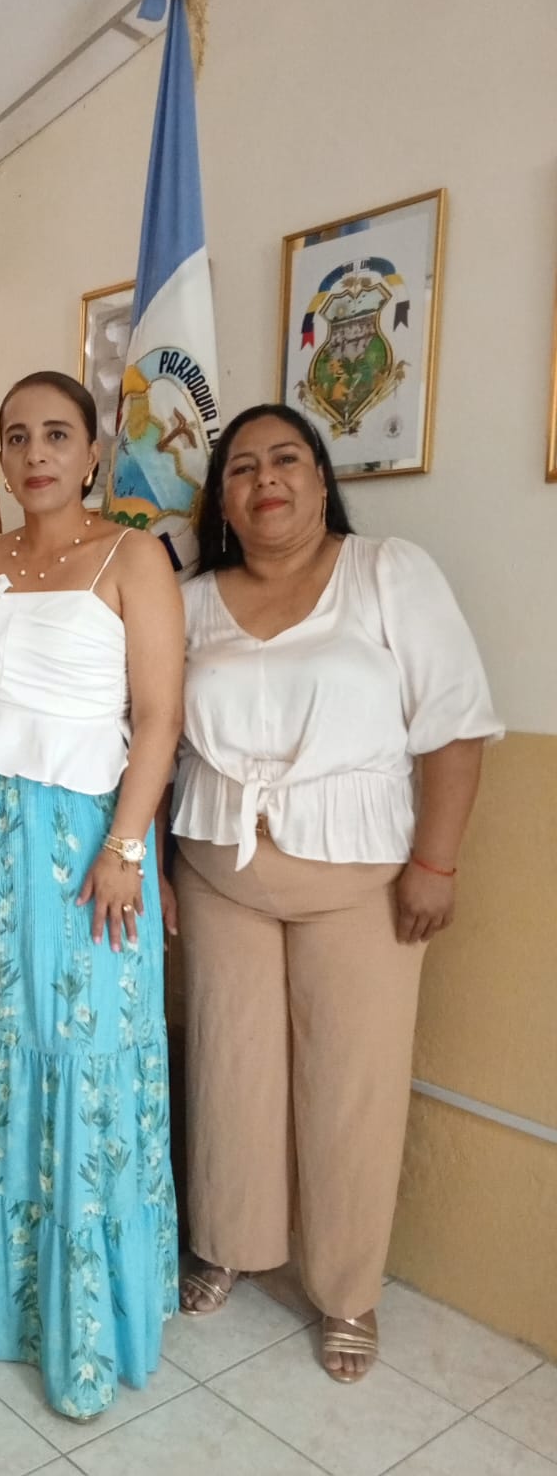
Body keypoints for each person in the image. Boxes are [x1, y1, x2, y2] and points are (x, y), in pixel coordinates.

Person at [166, 403, 502, 1381]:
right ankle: (227, 1241)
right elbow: (150, 737)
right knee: (229, 1068)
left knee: (353, 1085)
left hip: (361, 879)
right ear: (221, 498)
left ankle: (347, 1289)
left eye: (287, 459)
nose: (265, 479)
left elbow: (454, 725)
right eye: (242, 468)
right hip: (219, 871)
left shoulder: (387, 572)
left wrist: (437, 862)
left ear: (321, 478)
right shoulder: (189, 601)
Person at [0, 371, 184, 1420]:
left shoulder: (133, 557)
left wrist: (126, 847)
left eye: (57, 434)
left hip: (85, 841)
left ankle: (83, 1315)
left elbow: (160, 719)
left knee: (80, 1046)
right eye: (16, 436)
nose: (34, 454)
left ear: (94, 451)